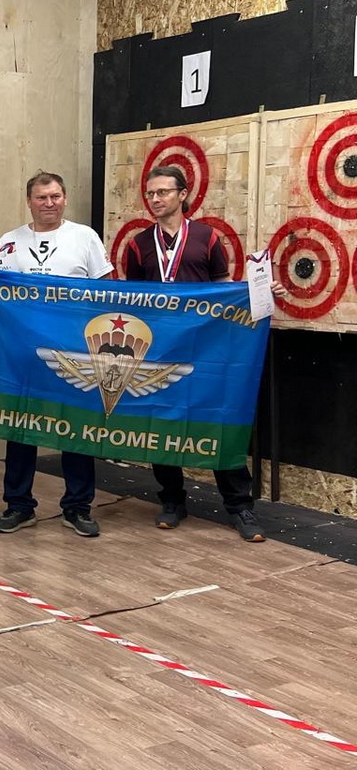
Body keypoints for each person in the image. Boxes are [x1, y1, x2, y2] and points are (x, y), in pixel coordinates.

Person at [124, 164, 276, 542]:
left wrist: (257, 293)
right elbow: (132, 298)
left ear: (182, 194)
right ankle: (172, 500)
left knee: (216, 422)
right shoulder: (138, 244)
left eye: (163, 192)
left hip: (205, 349)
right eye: (150, 193)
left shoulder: (208, 238)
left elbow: (224, 290)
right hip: (159, 350)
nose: (155, 199)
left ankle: (239, 506)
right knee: (161, 426)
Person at [0, 171, 112, 537]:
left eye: (55, 196)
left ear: (65, 198)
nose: (49, 203)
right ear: (29, 201)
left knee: (76, 428)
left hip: (74, 353)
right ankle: (18, 505)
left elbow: (106, 291)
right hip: (23, 355)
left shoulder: (84, 237)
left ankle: (77, 507)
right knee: (21, 428)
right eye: (42, 197)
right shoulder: (8, 242)